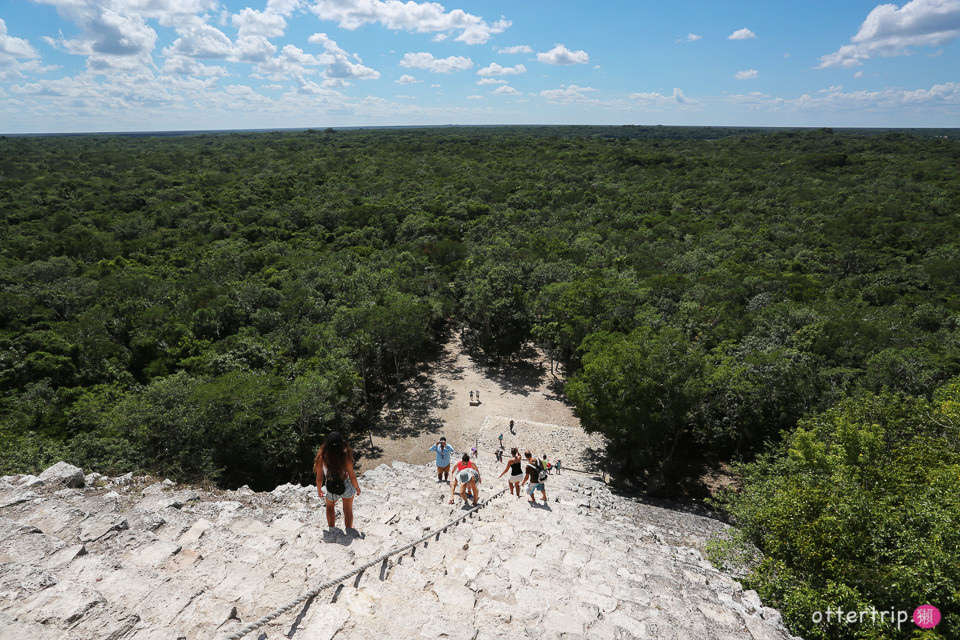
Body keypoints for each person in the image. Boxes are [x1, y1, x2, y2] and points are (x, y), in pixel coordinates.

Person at [314, 431, 361, 529]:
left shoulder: (322, 456)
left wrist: (319, 489)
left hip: (331, 485)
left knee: (330, 507)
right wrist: (357, 487)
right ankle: (349, 528)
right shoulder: (345, 456)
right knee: (348, 510)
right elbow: (352, 475)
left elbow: (319, 477)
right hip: (346, 484)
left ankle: (332, 528)